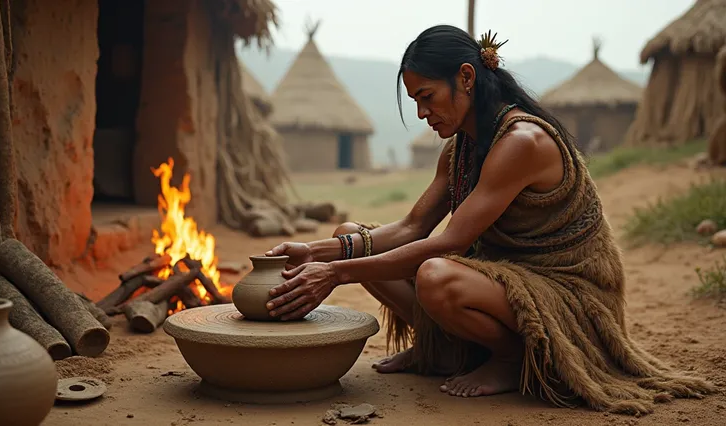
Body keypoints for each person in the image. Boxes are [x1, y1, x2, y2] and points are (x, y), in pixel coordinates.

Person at [264, 25, 714, 414]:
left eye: (428, 97)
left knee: (436, 276)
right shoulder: (459, 148)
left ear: (466, 78)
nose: (423, 113)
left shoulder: (522, 141)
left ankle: (510, 358)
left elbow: (446, 243)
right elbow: (410, 228)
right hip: (502, 283)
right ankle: (440, 351)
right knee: (351, 234)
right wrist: (316, 252)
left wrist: (336, 273)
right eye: (415, 101)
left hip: (567, 292)